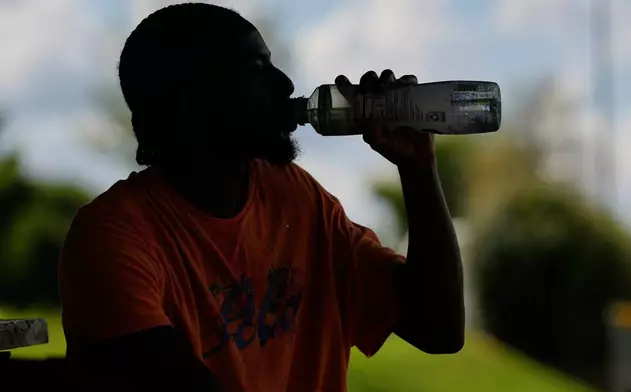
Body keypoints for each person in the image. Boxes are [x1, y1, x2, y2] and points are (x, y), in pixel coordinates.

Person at [58, 3, 464, 392]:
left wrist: (418, 169)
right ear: (191, 99)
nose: (285, 85)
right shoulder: (114, 237)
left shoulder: (296, 197)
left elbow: (439, 328)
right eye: (256, 68)